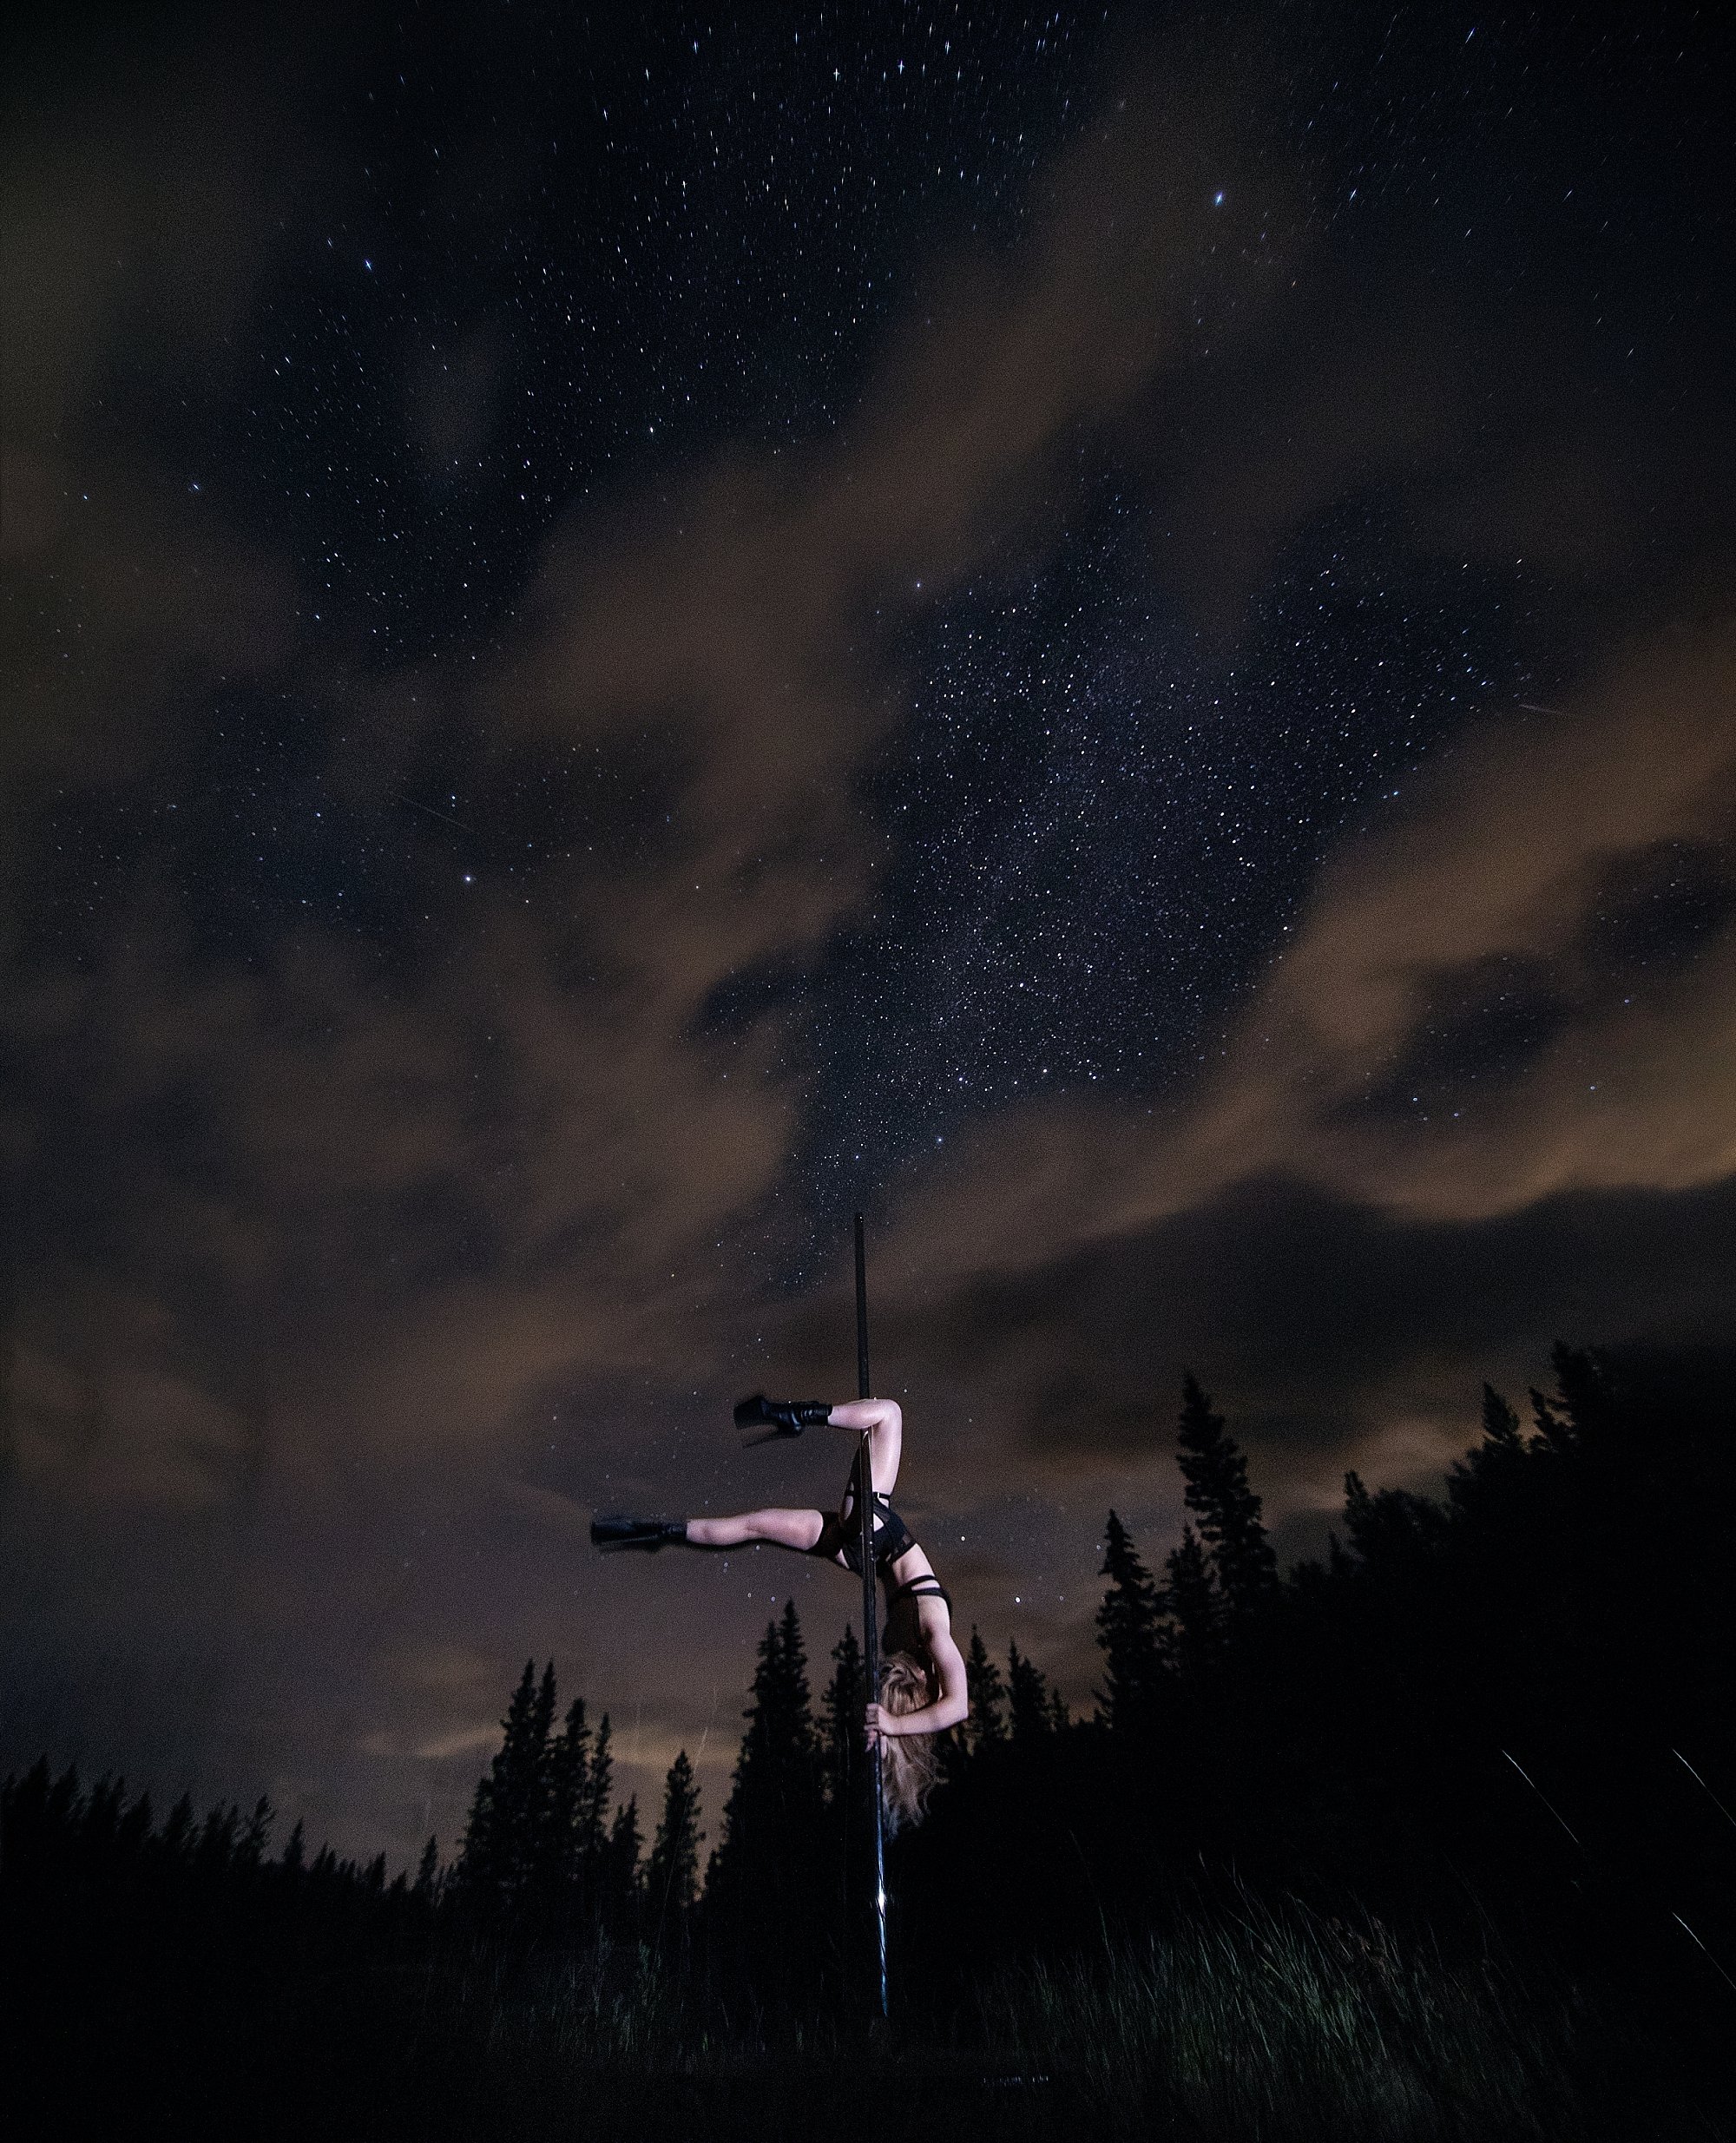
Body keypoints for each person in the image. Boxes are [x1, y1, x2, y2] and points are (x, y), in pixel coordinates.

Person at [592, 1396, 969, 1830]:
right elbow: (946, 1707)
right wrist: (889, 1729)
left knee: (889, 1415)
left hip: (873, 1533)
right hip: (860, 1552)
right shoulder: (906, 1645)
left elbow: (958, 1707)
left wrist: (892, 1724)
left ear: (924, 1677)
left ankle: (799, 1414)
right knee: (755, 1527)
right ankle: (657, 1532)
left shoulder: (933, 1630)